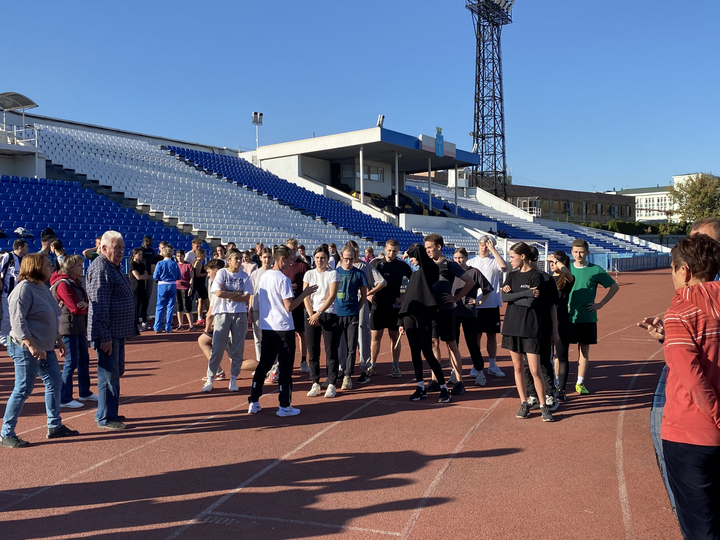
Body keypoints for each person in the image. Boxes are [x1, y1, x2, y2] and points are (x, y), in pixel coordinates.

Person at [660, 234, 720, 540]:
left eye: (672, 270)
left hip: (689, 431)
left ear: (684, 271)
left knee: (700, 527)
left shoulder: (679, 312)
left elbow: (692, 378)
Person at [0, 253, 79, 447]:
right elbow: (17, 322)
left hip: (45, 347)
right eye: (46, 265)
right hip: (25, 348)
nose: (51, 267)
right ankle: (6, 433)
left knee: (54, 383)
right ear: (35, 267)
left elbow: (52, 316)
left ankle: (54, 425)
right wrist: (31, 345)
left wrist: (58, 340)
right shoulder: (23, 290)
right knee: (23, 389)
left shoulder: (42, 287)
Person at [248, 245, 317, 417]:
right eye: (290, 260)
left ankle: (254, 400)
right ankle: (284, 405)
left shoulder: (264, 276)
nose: (291, 264)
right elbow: (289, 306)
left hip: (267, 327)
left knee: (264, 365)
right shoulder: (283, 279)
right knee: (285, 368)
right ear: (282, 259)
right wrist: (305, 293)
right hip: (283, 328)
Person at [86, 231, 136, 430]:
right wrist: (104, 336)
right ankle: (107, 417)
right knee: (108, 376)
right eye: (117, 248)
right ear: (104, 248)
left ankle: (106, 411)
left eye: (123, 248)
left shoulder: (113, 267)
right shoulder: (101, 269)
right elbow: (99, 306)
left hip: (118, 331)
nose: (121, 252)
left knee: (115, 372)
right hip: (108, 333)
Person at [501, 242, 554, 422]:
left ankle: (543, 405)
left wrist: (514, 297)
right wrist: (525, 294)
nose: (510, 260)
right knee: (517, 367)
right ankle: (524, 403)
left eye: (512, 257)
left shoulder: (536, 276)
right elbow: (505, 297)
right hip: (511, 326)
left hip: (530, 327)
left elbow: (531, 303)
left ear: (522, 256)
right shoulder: (511, 275)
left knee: (535, 369)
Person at [423, 233, 476, 396]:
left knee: (451, 344)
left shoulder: (449, 264)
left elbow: (470, 282)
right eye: (426, 248)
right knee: (433, 343)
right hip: (431, 310)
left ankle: (459, 381)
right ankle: (435, 379)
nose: (427, 251)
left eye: (429, 248)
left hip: (446, 310)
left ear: (439, 247)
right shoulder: (426, 264)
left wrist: (456, 298)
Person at [398, 244, 450, 403]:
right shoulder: (414, 275)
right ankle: (420, 387)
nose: (411, 260)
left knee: (427, 352)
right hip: (409, 316)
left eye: (413, 257)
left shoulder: (430, 270)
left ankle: (444, 388)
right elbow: (407, 298)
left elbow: (421, 253)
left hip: (424, 315)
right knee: (414, 352)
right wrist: (401, 321)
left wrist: (409, 251)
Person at [568, 238, 619, 394]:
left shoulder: (595, 270)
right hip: (567, 317)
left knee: (584, 350)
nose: (578, 255)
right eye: (576, 252)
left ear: (587, 253)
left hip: (586, 317)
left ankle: (580, 382)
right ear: (571, 252)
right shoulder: (566, 269)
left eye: (581, 252)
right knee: (561, 352)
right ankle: (557, 382)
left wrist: (600, 303)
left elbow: (614, 286)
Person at [202, 248, 253, 393]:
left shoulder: (244, 276)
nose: (239, 261)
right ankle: (210, 378)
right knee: (217, 348)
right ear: (228, 260)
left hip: (240, 313)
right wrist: (237, 293)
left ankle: (233, 379)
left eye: (240, 258)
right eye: (236, 258)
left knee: (237, 348)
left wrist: (228, 293)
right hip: (223, 313)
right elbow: (219, 293)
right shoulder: (222, 273)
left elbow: (247, 297)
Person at [50, 255, 96, 409]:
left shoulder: (75, 282)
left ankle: (84, 391)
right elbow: (75, 308)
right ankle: (64, 397)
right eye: (79, 266)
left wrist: (85, 305)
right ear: (69, 267)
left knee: (84, 359)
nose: (82, 268)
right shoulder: (63, 284)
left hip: (78, 326)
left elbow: (84, 303)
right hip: (67, 327)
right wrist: (85, 307)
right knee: (71, 362)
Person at [365, 239, 412, 379]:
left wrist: (404, 298)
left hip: (394, 306)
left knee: (394, 336)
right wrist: (368, 294)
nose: (391, 253)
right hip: (377, 305)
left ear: (398, 251)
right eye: (389, 250)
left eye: (394, 251)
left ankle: (395, 366)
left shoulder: (402, 265)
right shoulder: (375, 263)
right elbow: (364, 279)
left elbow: (414, 281)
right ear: (385, 249)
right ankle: (372, 365)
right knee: (375, 336)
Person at [523, 245, 560, 412]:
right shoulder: (519, 277)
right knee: (527, 364)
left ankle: (550, 394)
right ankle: (533, 394)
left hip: (543, 326)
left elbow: (552, 307)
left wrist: (554, 331)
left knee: (544, 361)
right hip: (525, 328)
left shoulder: (546, 279)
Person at [467, 235, 508, 379]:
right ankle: (476, 365)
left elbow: (504, 267)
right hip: (475, 304)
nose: (483, 248)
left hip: (491, 304)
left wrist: (493, 250)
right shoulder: (471, 262)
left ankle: (492, 365)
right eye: (482, 245)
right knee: (476, 336)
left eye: (486, 245)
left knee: (491, 336)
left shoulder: (494, 261)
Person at [452, 248, 493, 387]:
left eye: (461, 257)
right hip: (453, 311)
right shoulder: (451, 272)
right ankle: (454, 371)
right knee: (453, 343)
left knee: (472, 343)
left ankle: (479, 372)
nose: (458, 260)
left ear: (466, 258)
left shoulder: (474, 272)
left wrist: (479, 301)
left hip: (469, 312)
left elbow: (487, 289)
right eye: (455, 258)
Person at [303, 246, 341, 398]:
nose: (320, 260)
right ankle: (315, 383)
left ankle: (332, 383)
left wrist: (318, 313)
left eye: (323, 258)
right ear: (314, 258)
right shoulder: (309, 274)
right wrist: (311, 314)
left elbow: (331, 296)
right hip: (311, 315)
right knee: (313, 351)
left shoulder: (333, 274)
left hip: (328, 313)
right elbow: (305, 295)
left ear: (327, 259)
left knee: (331, 350)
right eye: (317, 257)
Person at [346, 240, 386, 380]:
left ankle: (364, 367)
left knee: (362, 333)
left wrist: (368, 293)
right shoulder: (340, 265)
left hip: (360, 302)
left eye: (356, 250)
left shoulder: (365, 266)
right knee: (344, 335)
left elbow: (382, 282)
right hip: (344, 303)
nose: (355, 253)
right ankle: (343, 368)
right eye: (352, 251)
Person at [335, 246, 368, 390]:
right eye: (346, 259)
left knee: (351, 346)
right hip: (337, 314)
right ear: (341, 257)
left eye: (351, 259)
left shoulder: (359, 274)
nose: (348, 262)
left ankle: (348, 375)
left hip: (352, 314)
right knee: (336, 345)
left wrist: (356, 309)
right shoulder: (335, 273)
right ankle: (337, 371)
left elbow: (364, 295)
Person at [547, 251, 574, 402]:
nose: (552, 264)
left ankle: (561, 389)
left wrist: (555, 260)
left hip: (561, 321)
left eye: (555, 261)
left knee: (562, 356)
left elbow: (567, 273)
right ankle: (549, 387)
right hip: (546, 321)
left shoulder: (567, 279)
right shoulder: (546, 278)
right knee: (547, 357)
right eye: (551, 262)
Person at [282, 238, 310, 373]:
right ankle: (284, 361)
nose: (291, 252)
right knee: (285, 334)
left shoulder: (303, 266)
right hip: (284, 305)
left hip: (299, 304)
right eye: (289, 249)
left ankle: (303, 360)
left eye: (293, 249)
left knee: (301, 333)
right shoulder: (282, 265)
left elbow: (309, 284)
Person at [197, 259, 226, 381]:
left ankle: (271, 367)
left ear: (216, 271)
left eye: (209, 272)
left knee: (238, 362)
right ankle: (217, 370)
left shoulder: (217, 285)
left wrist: (207, 327)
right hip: (227, 321)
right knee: (203, 340)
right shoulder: (229, 281)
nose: (207, 275)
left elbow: (211, 311)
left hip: (223, 323)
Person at [0, 239, 29, 347]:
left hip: (21, 293)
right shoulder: (8, 257)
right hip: (8, 292)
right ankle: (3, 337)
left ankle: (15, 337)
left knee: (19, 316)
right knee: (8, 316)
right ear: (20, 247)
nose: (28, 249)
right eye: (26, 246)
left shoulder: (25, 259)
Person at [249, 248, 274, 368]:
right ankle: (260, 363)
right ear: (260, 258)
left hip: (271, 309)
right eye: (264, 257)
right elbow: (251, 293)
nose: (267, 260)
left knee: (271, 336)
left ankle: (273, 364)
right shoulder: (255, 274)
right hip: (257, 308)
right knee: (258, 337)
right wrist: (250, 310)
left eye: (269, 257)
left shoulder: (275, 272)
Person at [153, 246, 181, 333]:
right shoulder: (174, 263)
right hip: (172, 284)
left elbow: (155, 276)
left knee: (160, 305)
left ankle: (157, 326)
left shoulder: (160, 263)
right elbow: (179, 276)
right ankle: (168, 327)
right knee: (170, 306)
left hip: (162, 284)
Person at [129, 248, 149, 332]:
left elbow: (146, 276)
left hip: (142, 286)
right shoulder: (132, 264)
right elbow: (138, 277)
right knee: (136, 305)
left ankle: (144, 321)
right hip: (135, 287)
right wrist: (142, 276)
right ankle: (136, 323)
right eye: (139, 254)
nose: (141, 256)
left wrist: (142, 276)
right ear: (134, 255)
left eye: (141, 254)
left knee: (145, 303)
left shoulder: (141, 264)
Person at [175, 250, 194, 330]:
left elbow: (191, 277)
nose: (180, 258)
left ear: (184, 256)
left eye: (181, 256)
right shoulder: (175, 265)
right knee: (179, 306)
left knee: (187, 306)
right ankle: (180, 324)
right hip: (176, 287)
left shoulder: (188, 265)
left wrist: (190, 288)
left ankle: (191, 325)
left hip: (185, 287)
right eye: (178, 256)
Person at [192, 248, 209, 325]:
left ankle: (200, 317)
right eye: (203, 255)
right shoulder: (198, 263)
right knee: (205, 300)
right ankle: (207, 315)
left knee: (201, 301)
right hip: (199, 285)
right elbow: (198, 274)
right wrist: (206, 274)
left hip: (199, 284)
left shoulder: (198, 262)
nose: (205, 256)